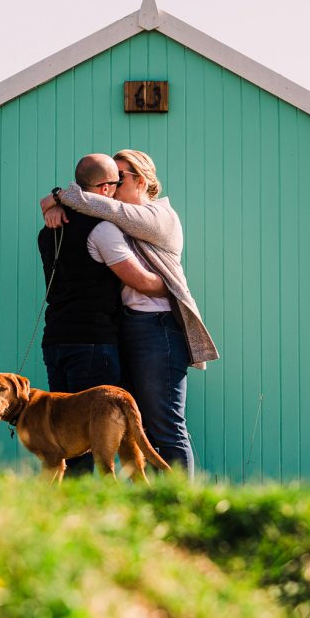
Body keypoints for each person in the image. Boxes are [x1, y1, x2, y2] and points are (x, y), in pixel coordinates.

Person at [41, 150, 218, 477]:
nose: (113, 185)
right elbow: (95, 202)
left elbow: (99, 202)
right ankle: (146, 501)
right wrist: (55, 204)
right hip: (127, 327)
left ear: (141, 179)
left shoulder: (157, 217)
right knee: (137, 426)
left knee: (164, 423)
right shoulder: (112, 221)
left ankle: (179, 502)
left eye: (119, 178)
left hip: (158, 327)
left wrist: (57, 199)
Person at [38, 153, 168, 478]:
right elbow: (138, 281)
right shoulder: (102, 230)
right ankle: (105, 507)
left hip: (55, 342)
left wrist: (53, 203)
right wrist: (171, 285)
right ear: (107, 188)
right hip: (92, 344)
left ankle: (71, 510)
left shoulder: (48, 229)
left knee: (67, 433)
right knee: (96, 435)